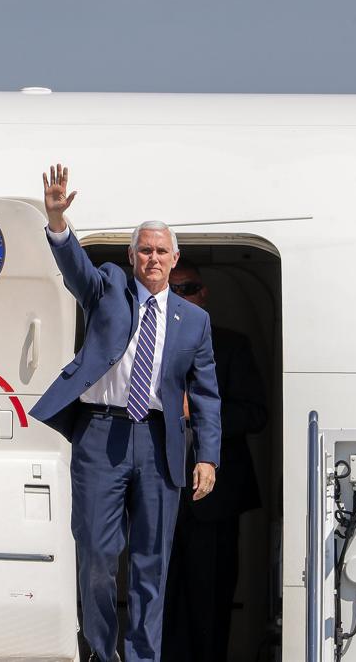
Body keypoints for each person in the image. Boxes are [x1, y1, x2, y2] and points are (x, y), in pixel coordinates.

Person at [29, 164, 222, 662]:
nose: (153, 258)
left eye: (161, 251)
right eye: (145, 250)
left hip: (160, 442)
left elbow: (206, 394)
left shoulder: (194, 321)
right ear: (130, 256)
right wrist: (57, 222)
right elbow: (76, 270)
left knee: (151, 563)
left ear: (174, 258)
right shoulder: (108, 288)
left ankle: (141, 658)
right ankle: (101, 651)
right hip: (101, 435)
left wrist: (209, 457)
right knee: (96, 552)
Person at [162, 262, 268, 662]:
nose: (179, 296)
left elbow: (256, 415)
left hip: (216, 499)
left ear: (203, 294)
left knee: (211, 599)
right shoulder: (143, 345)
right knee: (161, 599)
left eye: (186, 288)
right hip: (160, 492)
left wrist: (199, 412)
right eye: (172, 290)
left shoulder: (231, 345)